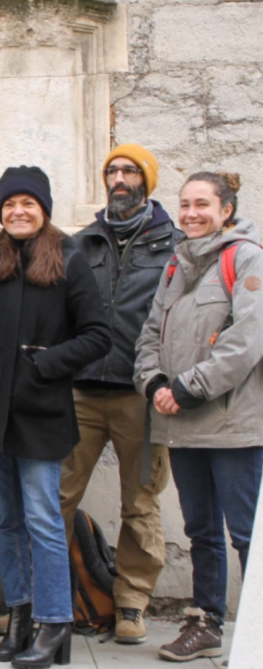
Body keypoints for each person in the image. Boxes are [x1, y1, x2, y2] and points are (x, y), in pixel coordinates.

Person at [0, 166, 110, 668]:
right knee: (6, 522)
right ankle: (21, 614)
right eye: (9, 205)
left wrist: (44, 364)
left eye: (27, 203)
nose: (18, 212)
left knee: (44, 520)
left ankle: (54, 623)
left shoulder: (69, 257)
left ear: (43, 208)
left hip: (41, 412)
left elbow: (97, 334)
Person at [135, 171, 263, 664]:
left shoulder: (245, 258)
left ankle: (253, 631)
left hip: (233, 426)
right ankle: (205, 622)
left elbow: (246, 341)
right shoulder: (175, 266)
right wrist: (154, 385)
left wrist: (186, 388)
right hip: (183, 425)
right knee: (201, 531)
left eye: (202, 204)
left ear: (226, 209)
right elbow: (150, 335)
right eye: (185, 204)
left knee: (247, 533)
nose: (190, 213)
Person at [56, 144, 178, 644]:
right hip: (80, 391)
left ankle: (131, 604)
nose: (120, 179)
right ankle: (45, 601)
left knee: (140, 503)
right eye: (113, 171)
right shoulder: (81, 243)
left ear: (146, 181)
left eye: (129, 171)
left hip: (139, 393)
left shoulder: (171, 244)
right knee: (54, 498)